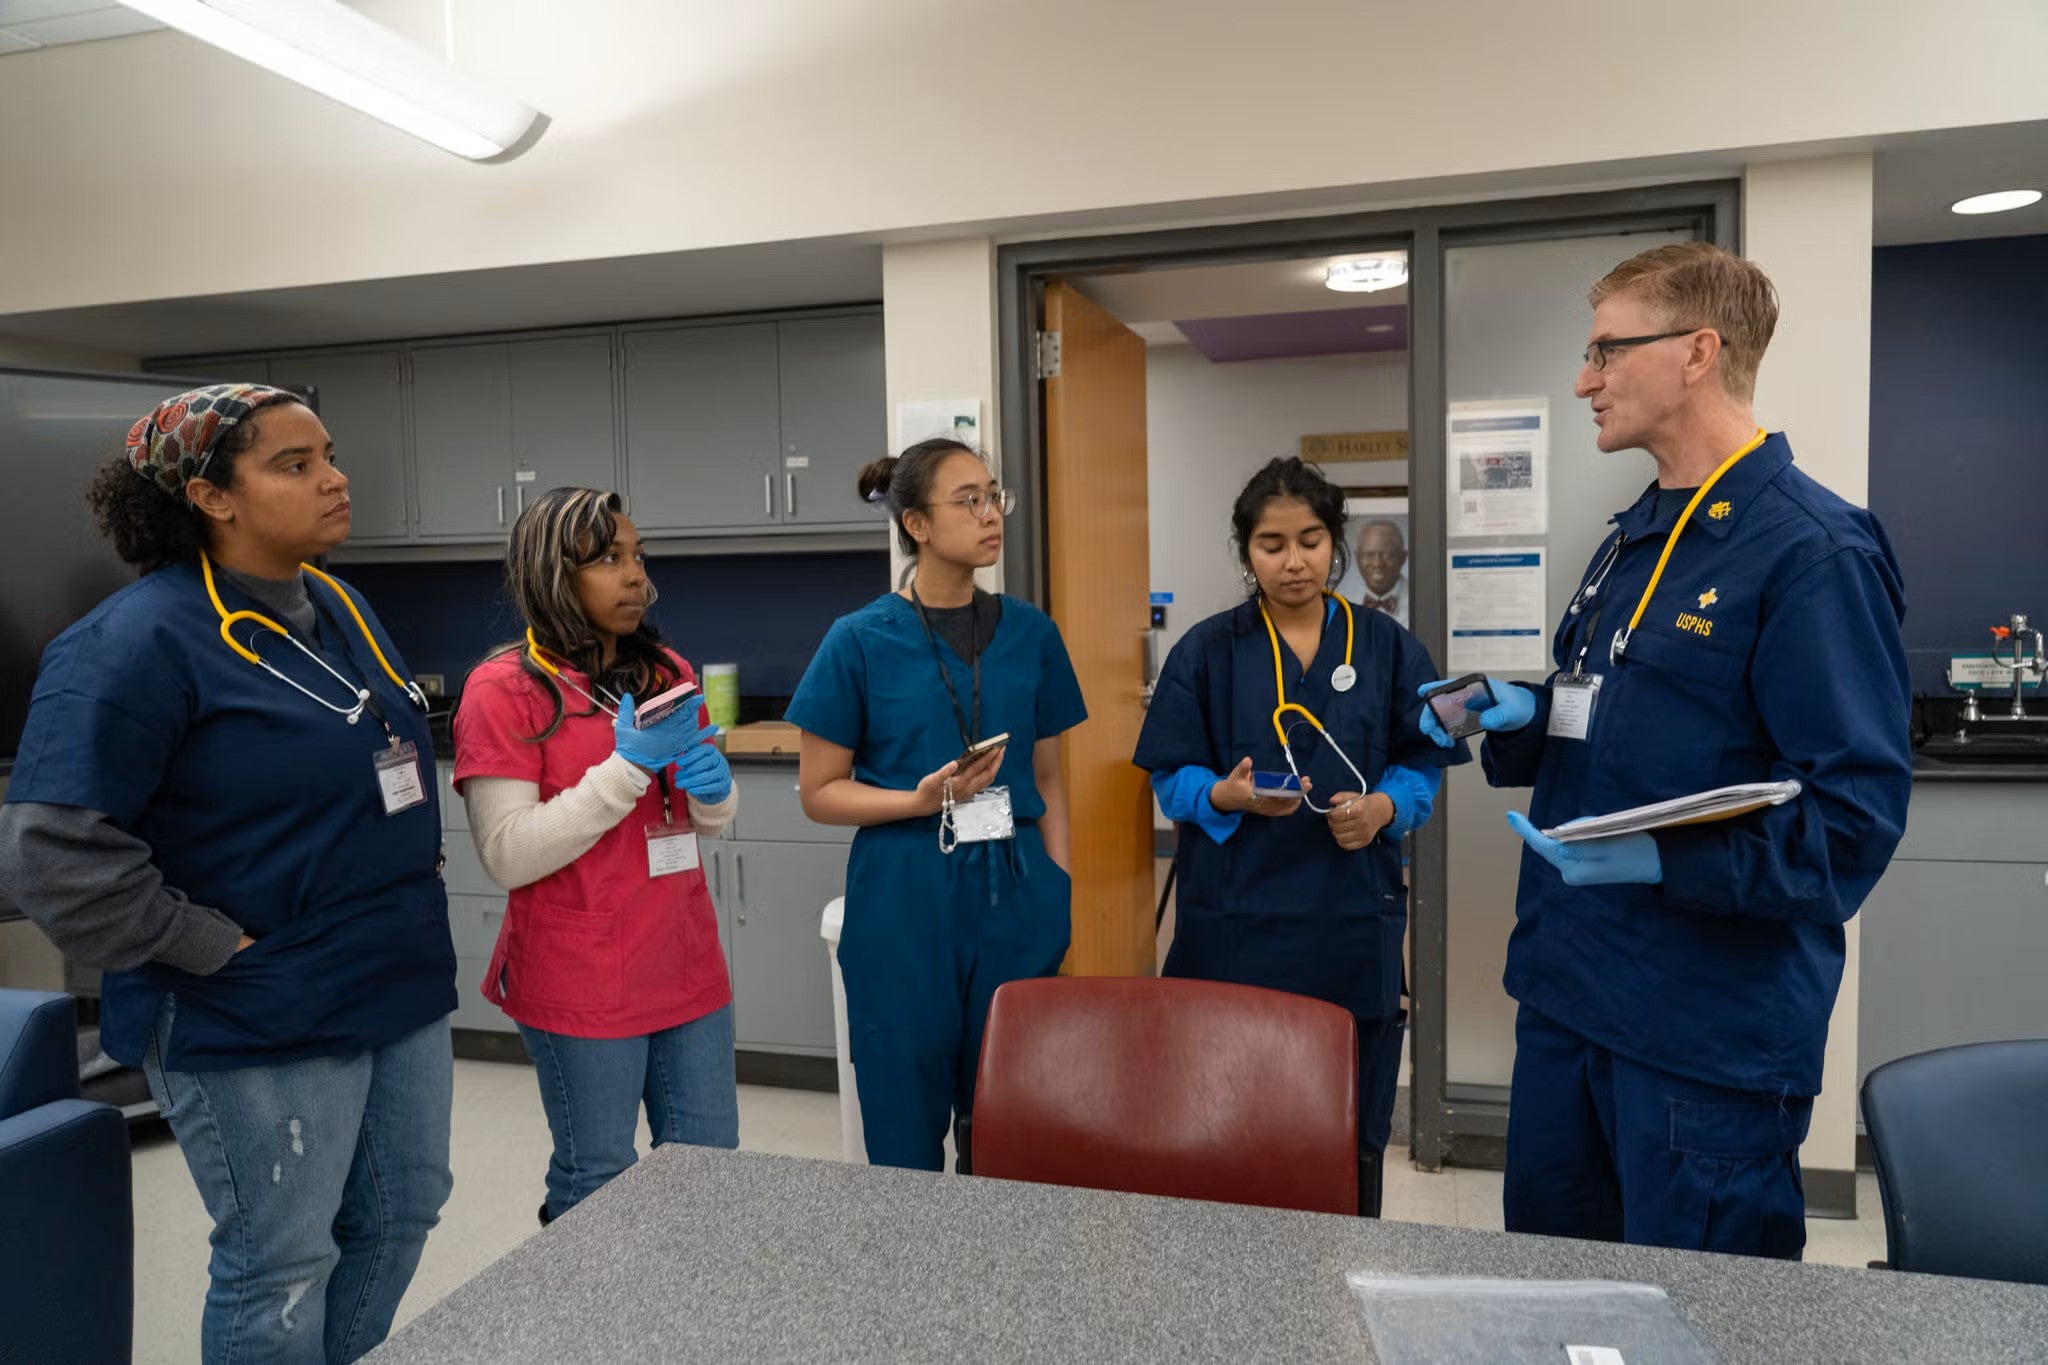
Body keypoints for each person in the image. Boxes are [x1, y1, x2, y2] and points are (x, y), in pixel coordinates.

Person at [1420, 242, 1912, 1258]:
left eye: (1605, 350)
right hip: (1568, 992)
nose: (1581, 379)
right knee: (1558, 1296)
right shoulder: (1634, 538)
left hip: (1699, 1035)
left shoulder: (1810, 552)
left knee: (1695, 1318)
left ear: (1696, 352)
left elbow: (1850, 825)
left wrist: (1663, 859)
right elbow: (1618, 715)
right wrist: (1525, 711)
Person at [0, 384, 456, 1363]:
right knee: (280, 1266)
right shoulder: (130, 644)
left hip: (392, 973)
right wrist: (207, 943)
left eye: (327, 453)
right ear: (211, 496)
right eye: (293, 464)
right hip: (257, 1002)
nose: (334, 478)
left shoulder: (337, 601)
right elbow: (51, 853)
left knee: (402, 1214)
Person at [1134, 457, 1464, 1216]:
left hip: (1351, 926)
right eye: (1272, 544)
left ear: (1334, 542)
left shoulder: (1388, 646)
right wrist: (1225, 793)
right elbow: (1167, 780)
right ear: (1246, 551)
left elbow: (1427, 764)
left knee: (1348, 1138)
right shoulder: (1207, 651)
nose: (1294, 561)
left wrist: (1384, 808)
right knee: (1228, 1130)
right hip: (1236, 929)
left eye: (1311, 540)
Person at [785, 438, 1086, 1172]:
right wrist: (913, 798)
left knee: (1012, 1115)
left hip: (1016, 887)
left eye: (994, 496)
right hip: (905, 891)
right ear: (916, 523)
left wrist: (1059, 889)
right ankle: (913, 1279)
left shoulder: (1031, 633)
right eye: (969, 500)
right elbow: (819, 793)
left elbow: (1049, 777)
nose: (991, 515)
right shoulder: (857, 641)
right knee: (903, 1117)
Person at [452, 487, 739, 1224]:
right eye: (609, 558)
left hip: (684, 961)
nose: (635, 575)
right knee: (600, 1179)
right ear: (553, 571)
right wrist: (625, 770)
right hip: (581, 976)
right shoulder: (503, 690)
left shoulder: (666, 668)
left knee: (710, 1169)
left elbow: (703, 820)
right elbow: (508, 854)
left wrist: (717, 796)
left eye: (638, 555)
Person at [1355, 519, 1410, 627]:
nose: (1377, 563)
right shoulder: (1340, 603)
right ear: (1358, 558)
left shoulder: (1422, 599)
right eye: (1369, 554)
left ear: (1402, 558)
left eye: (1387, 555)